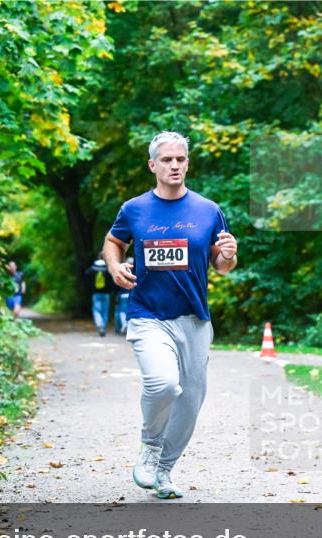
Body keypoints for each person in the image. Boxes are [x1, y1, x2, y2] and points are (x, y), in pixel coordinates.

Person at [103, 131, 238, 499]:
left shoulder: (208, 210)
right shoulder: (135, 209)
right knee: (163, 384)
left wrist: (228, 253)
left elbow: (222, 265)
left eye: (181, 159)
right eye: (167, 160)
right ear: (153, 165)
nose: (175, 165)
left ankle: (164, 471)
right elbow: (114, 241)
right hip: (149, 314)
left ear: (187, 164)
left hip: (194, 318)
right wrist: (115, 267)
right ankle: (150, 447)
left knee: (191, 401)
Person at [84, 255, 113, 336]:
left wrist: (90, 287)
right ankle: (103, 327)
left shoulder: (92, 268)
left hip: (96, 293)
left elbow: (86, 276)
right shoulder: (107, 269)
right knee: (105, 311)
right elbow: (112, 281)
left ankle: (99, 324)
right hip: (106, 293)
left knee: (96, 310)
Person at [114, 256, 134, 335]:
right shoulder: (136, 272)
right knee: (131, 311)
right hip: (132, 294)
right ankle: (130, 326)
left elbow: (117, 282)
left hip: (123, 294)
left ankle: (124, 324)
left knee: (122, 311)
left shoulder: (122, 271)